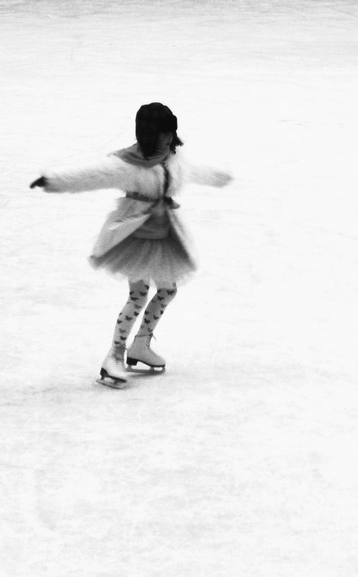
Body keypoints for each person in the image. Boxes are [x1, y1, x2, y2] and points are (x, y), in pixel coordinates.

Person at [30, 103, 232, 388]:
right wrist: (53, 180)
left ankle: (141, 344)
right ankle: (114, 355)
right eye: (164, 133)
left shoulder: (174, 158)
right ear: (150, 134)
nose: (169, 138)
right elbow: (93, 175)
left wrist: (221, 176)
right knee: (138, 295)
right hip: (135, 234)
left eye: (171, 131)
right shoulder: (129, 164)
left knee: (168, 289)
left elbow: (194, 171)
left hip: (165, 233)